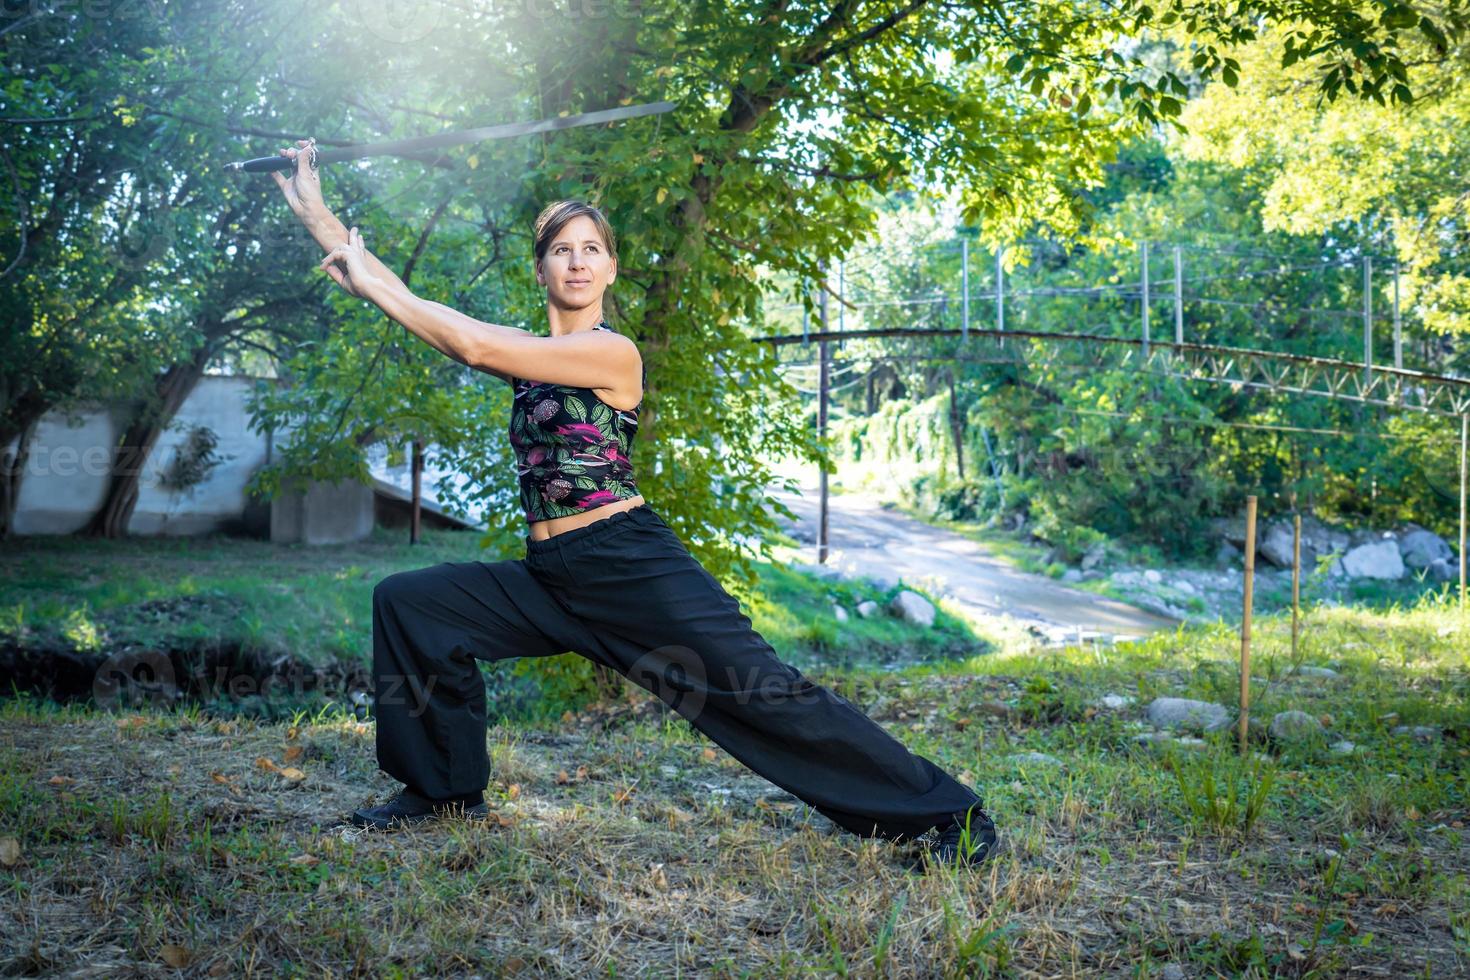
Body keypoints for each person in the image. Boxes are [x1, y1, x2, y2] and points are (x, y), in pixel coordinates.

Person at [272, 138, 998, 869]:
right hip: (552, 574)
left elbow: (465, 343)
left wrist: (368, 276)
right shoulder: (530, 353)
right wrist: (326, 222)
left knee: (763, 692)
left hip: (627, 564)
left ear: (611, 269)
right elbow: (436, 314)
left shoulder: (611, 352)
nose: (578, 260)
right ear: (542, 269)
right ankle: (443, 791)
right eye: (562, 249)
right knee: (412, 604)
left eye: (592, 249)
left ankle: (950, 816)